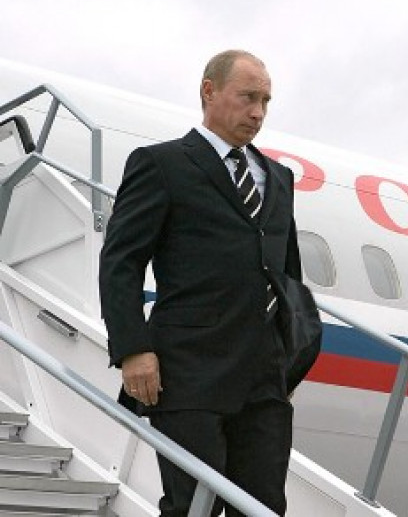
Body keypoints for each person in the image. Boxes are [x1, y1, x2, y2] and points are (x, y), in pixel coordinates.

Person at [99, 50, 303, 516]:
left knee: (264, 507)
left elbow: (287, 275)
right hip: (188, 372)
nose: (258, 112)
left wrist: (291, 357)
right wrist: (132, 349)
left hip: (263, 379)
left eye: (266, 101)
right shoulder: (162, 164)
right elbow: (121, 261)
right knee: (193, 507)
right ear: (209, 91)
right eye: (247, 97)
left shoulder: (279, 178)